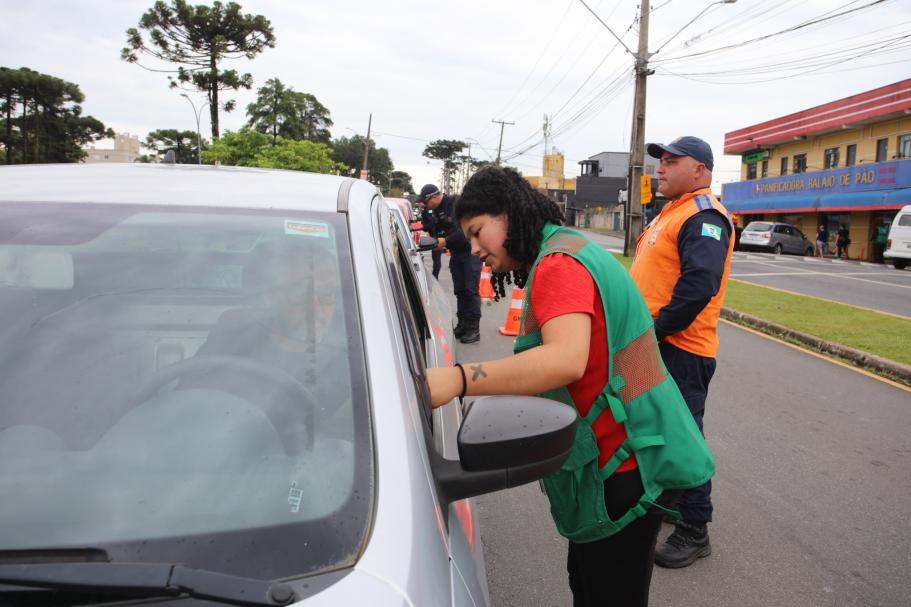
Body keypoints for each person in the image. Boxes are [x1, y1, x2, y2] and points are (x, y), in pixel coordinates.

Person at [426, 166, 714, 606]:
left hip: (624, 468)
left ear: (509, 214)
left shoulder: (559, 264)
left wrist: (458, 380)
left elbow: (563, 359)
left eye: (478, 230)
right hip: (630, 455)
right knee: (591, 584)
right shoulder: (567, 249)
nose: (474, 246)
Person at [630, 136, 734, 569]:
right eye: (661, 162)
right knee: (649, 425)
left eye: (672, 162)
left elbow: (699, 286)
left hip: (678, 348)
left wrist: (655, 331)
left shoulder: (704, 215)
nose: (661, 169)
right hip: (651, 345)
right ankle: (669, 502)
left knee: (683, 436)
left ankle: (695, 527)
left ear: (701, 170)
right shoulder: (669, 213)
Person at [181, 240, 352, 443]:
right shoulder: (233, 333)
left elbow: (338, 450)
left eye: (326, 294)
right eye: (300, 292)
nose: (315, 307)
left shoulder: (351, 362)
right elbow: (184, 402)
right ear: (272, 296)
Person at [416, 183, 482, 343]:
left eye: (427, 201)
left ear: (435, 196)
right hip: (457, 253)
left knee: (470, 289)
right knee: (459, 290)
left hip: (470, 252)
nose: (426, 205)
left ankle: (474, 328)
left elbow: (464, 230)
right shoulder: (436, 210)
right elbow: (434, 229)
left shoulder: (456, 204)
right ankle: (463, 324)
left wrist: (446, 240)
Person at [418, 199, 442, 279]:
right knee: (435, 257)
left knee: (436, 258)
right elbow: (426, 223)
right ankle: (435, 274)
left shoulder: (430, 210)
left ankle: (435, 276)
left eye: (420, 202)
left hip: (437, 235)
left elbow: (432, 223)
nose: (418, 204)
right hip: (433, 235)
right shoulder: (425, 211)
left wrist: (423, 227)